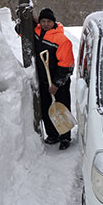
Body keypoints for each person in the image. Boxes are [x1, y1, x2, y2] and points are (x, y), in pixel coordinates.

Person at [32, 8, 74, 150]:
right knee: (46, 109)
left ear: (53, 22)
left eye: (48, 21)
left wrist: (56, 84)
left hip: (59, 82)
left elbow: (67, 65)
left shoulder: (62, 40)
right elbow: (20, 30)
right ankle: (53, 135)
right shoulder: (37, 32)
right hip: (43, 80)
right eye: (43, 21)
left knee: (61, 108)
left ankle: (65, 137)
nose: (45, 24)